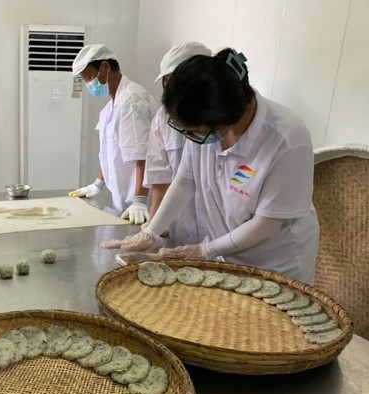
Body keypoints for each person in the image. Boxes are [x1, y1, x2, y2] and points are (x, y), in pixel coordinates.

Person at [103, 48, 320, 285]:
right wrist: (151, 232)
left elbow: (266, 224)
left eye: (197, 131)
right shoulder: (208, 125)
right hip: (229, 254)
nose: (194, 137)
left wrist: (206, 250)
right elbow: (185, 181)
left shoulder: (286, 139)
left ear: (222, 120)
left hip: (276, 264)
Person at [69, 44, 158, 225]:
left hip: (141, 203)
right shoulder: (109, 108)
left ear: (105, 67)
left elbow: (142, 155)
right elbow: (110, 153)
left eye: (89, 77)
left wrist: (140, 200)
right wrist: (98, 183)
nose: (89, 85)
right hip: (123, 200)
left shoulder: (132, 101)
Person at [143, 42, 212, 246]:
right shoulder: (163, 118)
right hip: (181, 221)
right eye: (169, 82)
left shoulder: (222, 115)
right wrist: (154, 225)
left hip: (220, 228)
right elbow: (162, 174)